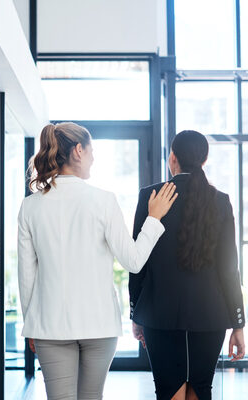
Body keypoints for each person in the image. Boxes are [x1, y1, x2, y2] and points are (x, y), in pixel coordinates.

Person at [18, 122, 178, 400]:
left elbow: (26, 275)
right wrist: (154, 219)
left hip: (48, 325)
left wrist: (31, 324)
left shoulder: (30, 205)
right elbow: (134, 261)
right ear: (78, 151)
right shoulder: (104, 200)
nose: (93, 158)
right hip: (99, 324)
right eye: (92, 151)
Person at [129, 130, 246, 400]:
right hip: (210, 315)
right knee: (200, 389)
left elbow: (138, 262)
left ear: (173, 158)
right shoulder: (220, 201)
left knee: (169, 390)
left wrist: (136, 312)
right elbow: (229, 269)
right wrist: (238, 323)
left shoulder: (150, 196)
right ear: (204, 160)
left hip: (158, 313)